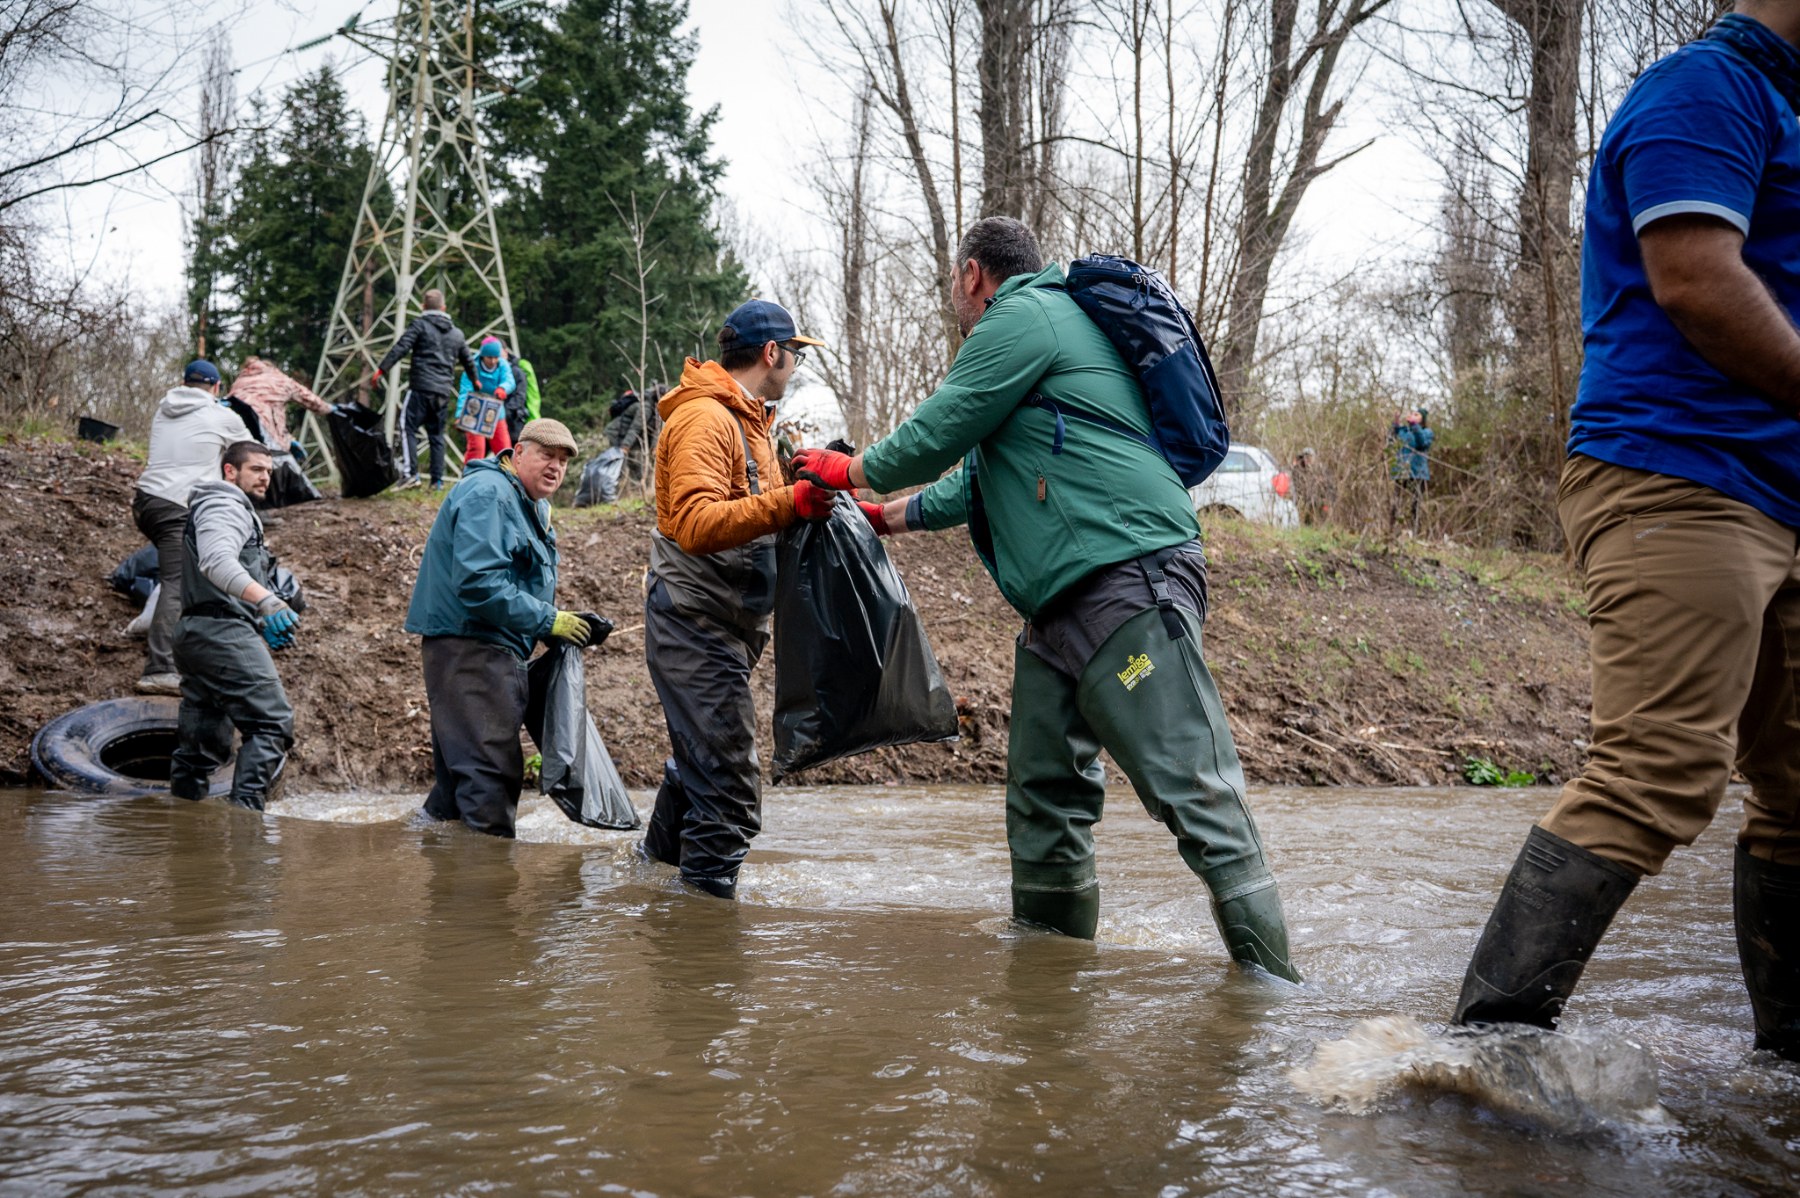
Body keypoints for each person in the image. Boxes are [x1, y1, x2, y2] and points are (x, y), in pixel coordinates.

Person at [790, 217, 1300, 980]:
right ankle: (1047, 1006)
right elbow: (976, 478)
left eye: (953, 280)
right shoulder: (1038, 338)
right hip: (1058, 610)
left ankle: (1278, 1005)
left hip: (1127, 578)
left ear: (972, 274)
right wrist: (882, 517)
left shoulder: (1026, 313)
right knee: (1044, 808)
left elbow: (937, 432)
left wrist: (848, 469)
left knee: (1196, 792)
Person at [1451, 3, 1800, 1058]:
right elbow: (1694, 278)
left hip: (1783, 492)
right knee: (1655, 770)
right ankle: (1481, 1063)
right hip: (1679, 471)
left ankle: (1784, 1073)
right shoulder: (1709, 87)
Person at [641, 300, 832, 899]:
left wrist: (815, 491)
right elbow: (696, 522)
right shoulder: (705, 418)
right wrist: (790, 501)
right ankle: (701, 934)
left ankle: (649, 884)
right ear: (772, 353)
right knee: (729, 793)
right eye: (795, 353)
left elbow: (762, 515)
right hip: (694, 622)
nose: (796, 364)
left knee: (699, 768)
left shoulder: (750, 422)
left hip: (723, 624)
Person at [404, 418, 601, 838]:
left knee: (457, 791)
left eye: (563, 460)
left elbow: (512, 582)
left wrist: (553, 625)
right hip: (472, 648)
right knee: (488, 779)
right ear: (518, 453)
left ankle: (425, 857)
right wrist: (548, 619)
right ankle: (486, 878)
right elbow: (479, 582)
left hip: (485, 647)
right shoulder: (490, 493)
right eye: (546, 455)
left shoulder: (525, 502)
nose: (555, 466)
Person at [168, 440, 302, 811]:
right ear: (230, 471)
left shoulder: (218, 506)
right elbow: (217, 562)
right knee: (272, 723)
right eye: (256, 469)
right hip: (223, 635)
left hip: (198, 634)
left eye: (269, 471)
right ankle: (246, 825)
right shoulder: (224, 504)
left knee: (200, 745)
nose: (265, 477)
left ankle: (184, 828)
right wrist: (266, 601)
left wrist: (259, 615)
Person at [131, 360, 253, 695]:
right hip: (176, 505)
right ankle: (160, 669)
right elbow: (250, 453)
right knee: (177, 581)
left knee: (180, 571)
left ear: (184, 383)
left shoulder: (164, 408)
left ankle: (155, 626)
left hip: (146, 501)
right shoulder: (223, 416)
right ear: (217, 387)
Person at [372, 289, 479, 491]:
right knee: (437, 435)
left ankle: (410, 474)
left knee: (407, 427)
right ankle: (437, 481)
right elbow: (468, 360)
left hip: (421, 387)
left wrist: (382, 369)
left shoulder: (420, 325)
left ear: (423, 307)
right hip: (442, 392)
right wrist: (476, 380)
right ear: (444, 308)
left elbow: (401, 347)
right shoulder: (457, 334)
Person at [459, 337, 517, 462]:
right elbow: (465, 392)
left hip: (495, 411)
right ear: (482, 356)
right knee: (477, 447)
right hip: (474, 411)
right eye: (489, 357)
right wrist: (460, 415)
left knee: (504, 448)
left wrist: (503, 388)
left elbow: (509, 381)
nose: (492, 361)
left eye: (495, 357)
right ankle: (471, 472)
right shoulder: (472, 367)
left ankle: (506, 473)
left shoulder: (503, 365)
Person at [1388, 409, 1432, 533]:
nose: (1413, 415)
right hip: (1401, 472)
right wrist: (1395, 423)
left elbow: (1422, 443)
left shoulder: (1427, 432)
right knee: (1396, 503)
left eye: (1416, 414)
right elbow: (1391, 439)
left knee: (1415, 505)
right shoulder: (1403, 431)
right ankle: (1392, 531)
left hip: (1418, 473)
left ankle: (1415, 532)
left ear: (1422, 419)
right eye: (1412, 414)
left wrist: (1414, 426)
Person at [605, 386, 661, 485]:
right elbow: (636, 427)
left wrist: (654, 447)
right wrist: (625, 446)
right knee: (620, 464)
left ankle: (636, 488)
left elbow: (656, 431)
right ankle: (614, 488)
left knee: (635, 464)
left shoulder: (656, 411)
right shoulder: (646, 408)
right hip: (617, 435)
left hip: (628, 438)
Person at [506, 345, 542, 444]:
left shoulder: (519, 369)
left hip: (517, 420)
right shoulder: (520, 366)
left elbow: (528, 396)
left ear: (505, 352)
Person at [1290, 447, 1333, 526]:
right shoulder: (1299, 470)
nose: (1307, 459)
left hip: (1318, 502)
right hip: (1304, 502)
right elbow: (1295, 484)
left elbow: (1328, 487)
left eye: (1309, 457)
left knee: (1319, 522)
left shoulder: (1320, 469)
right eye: (1305, 457)